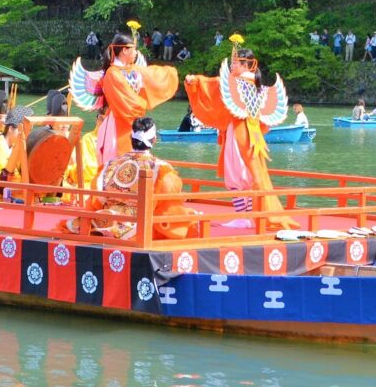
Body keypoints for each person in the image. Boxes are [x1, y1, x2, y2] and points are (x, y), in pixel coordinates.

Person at [184, 41, 298, 230]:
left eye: (235, 63)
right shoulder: (260, 87)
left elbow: (215, 83)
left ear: (246, 65)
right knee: (251, 176)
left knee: (236, 176)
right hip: (254, 137)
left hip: (239, 135)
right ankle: (250, 216)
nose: (232, 66)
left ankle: (243, 217)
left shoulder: (237, 83)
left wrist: (194, 80)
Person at [60, 117, 199, 240]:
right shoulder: (160, 169)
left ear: (131, 139)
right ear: (154, 140)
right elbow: (167, 203)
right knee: (187, 218)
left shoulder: (110, 165)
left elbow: (97, 200)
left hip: (105, 220)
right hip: (136, 227)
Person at [70, 31, 179, 170]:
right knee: (118, 165)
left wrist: (172, 73)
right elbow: (126, 102)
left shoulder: (133, 69)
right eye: (133, 49)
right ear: (124, 50)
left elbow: (154, 75)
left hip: (135, 122)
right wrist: (142, 108)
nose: (136, 52)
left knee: (136, 165)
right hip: (117, 124)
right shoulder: (112, 74)